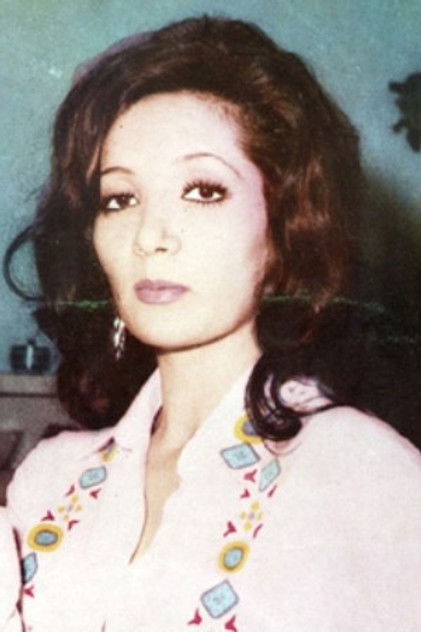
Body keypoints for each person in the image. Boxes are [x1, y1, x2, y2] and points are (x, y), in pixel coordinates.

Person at [3, 15, 421, 631]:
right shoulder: (47, 481)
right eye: (120, 199)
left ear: (286, 224)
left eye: (202, 191)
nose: (150, 236)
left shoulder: (364, 475)